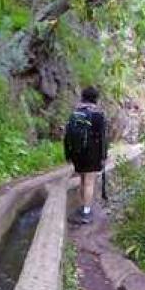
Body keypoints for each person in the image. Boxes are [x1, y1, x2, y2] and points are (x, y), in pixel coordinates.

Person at [63, 86, 108, 224]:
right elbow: (103, 138)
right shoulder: (98, 114)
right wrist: (104, 156)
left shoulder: (76, 113)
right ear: (95, 98)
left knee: (82, 180)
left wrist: (68, 154)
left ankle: (82, 206)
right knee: (89, 182)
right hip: (92, 153)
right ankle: (86, 212)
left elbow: (67, 134)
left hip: (77, 153)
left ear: (83, 97)